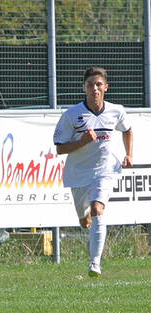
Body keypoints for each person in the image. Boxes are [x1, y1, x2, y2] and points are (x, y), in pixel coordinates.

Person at [53, 66, 133, 277]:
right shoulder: (72, 115)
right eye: (90, 85)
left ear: (106, 87)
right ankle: (83, 217)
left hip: (105, 170)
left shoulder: (116, 111)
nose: (95, 89)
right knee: (84, 219)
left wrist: (129, 154)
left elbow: (128, 130)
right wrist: (83, 141)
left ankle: (94, 263)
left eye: (99, 85)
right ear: (84, 88)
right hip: (79, 173)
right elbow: (60, 148)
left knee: (98, 209)